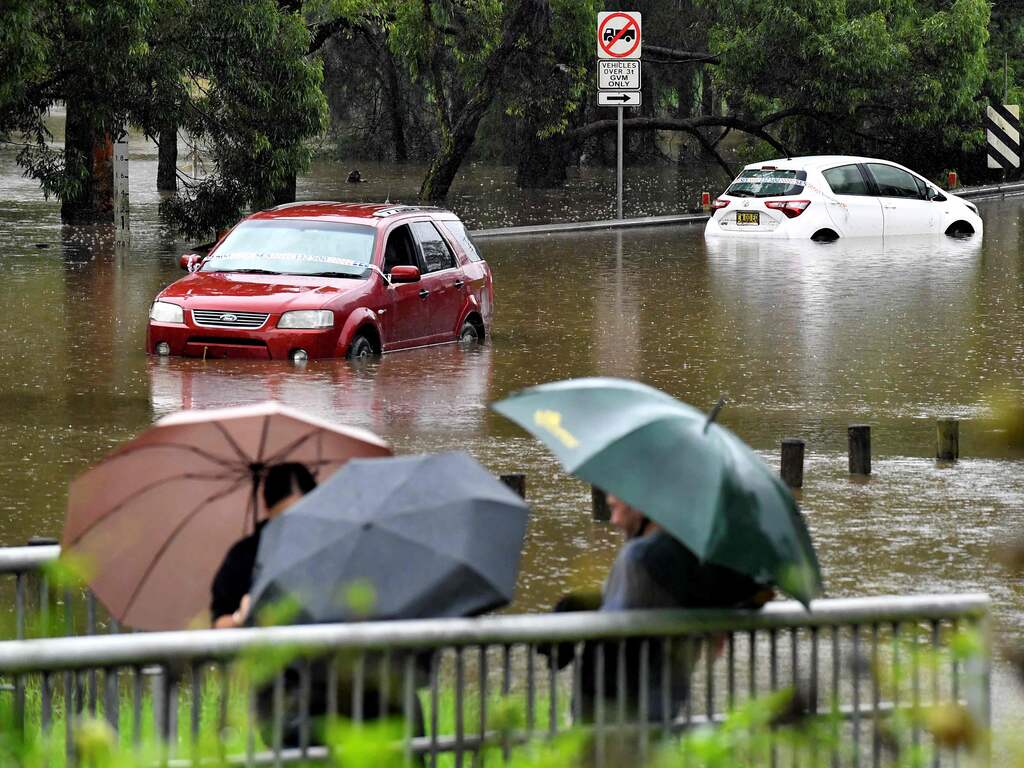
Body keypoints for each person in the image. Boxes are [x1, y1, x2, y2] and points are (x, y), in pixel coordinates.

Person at [547, 492, 773, 724]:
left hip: (614, 697)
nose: (613, 520)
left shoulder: (641, 555)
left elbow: (615, 623)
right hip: (666, 695)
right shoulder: (691, 553)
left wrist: (573, 624)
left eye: (615, 508)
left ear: (640, 507)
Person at [211, 462, 317, 628]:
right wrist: (240, 618)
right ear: (268, 510)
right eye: (284, 518)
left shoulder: (328, 548)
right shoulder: (244, 555)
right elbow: (219, 620)